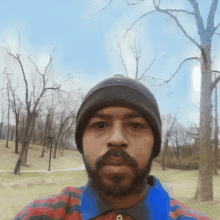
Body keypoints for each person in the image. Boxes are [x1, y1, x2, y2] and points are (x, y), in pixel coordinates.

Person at [14, 74, 212, 220]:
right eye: (100, 125)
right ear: (81, 143)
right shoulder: (39, 215)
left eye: (135, 125)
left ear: (155, 144)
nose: (117, 139)